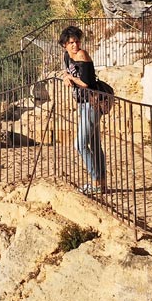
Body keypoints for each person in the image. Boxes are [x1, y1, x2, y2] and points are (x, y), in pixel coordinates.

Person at [60, 26, 106, 194]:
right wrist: (66, 75)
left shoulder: (82, 55)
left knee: (80, 145)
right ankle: (102, 182)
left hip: (92, 104)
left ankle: (94, 182)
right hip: (82, 104)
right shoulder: (67, 56)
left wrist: (70, 77)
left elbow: (86, 83)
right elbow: (67, 70)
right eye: (71, 42)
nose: (75, 45)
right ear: (64, 44)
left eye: (77, 41)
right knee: (94, 144)